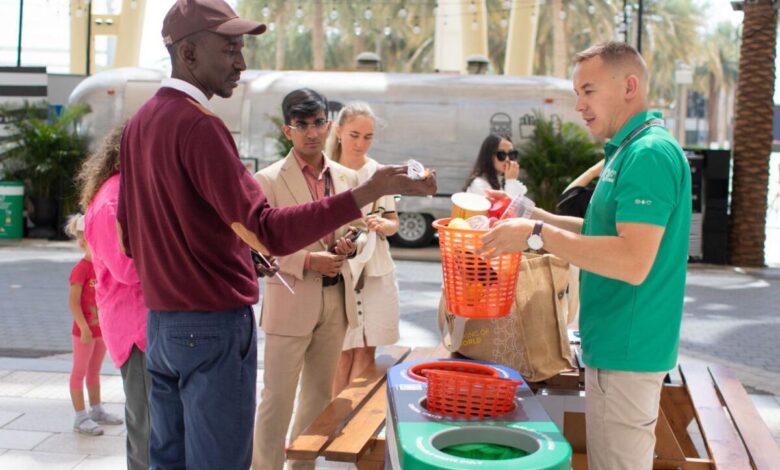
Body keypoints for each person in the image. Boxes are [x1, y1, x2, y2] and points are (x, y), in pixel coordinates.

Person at [115, 1, 435, 468]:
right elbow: (268, 230)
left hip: (162, 326)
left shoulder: (139, 124)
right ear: (188, 55)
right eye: (229, 48)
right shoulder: (201, 128)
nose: (241, 62)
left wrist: (217, 253)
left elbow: (130, 235)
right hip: (211, 328)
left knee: (170, 460)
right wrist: (369, 189)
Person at [480, 41, 691, 470]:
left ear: (630, 85)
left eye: (588, 91)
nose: (578, 105)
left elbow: (631, 261)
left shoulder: (648, 154)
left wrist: (535, 234)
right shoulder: (631, 150)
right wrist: (531, 215)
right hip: (614, 346)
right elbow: (599, 234)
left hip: (627, 350)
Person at [253, 89, 368, 470]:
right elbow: (259, 247)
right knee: (278, 398)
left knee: (318, 398)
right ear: (288, 131)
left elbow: (360, 227)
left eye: (318, 122)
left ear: (329, 125)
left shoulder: (348, 177)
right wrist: (306, 261)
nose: (312, 132)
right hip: (290, 301)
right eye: (302, 125)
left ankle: (303, 467)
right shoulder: (267, 180)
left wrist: (353, 242)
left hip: (336, 302)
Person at [78, 125, 150, 470]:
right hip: (135, 328)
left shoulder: (129, 190)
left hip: (144, 323)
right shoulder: (112, 199)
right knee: (145, 427)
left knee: (154, 424)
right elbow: (126, 269)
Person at [325, 102, 401, 397]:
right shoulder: (325, 172)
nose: (360, 143)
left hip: (376, 270)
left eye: (368, 137)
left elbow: (393, 222)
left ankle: (353, 426)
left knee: (366, 351)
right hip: (340, 270)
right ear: (339, 131)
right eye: (354, 134)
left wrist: (382, 224)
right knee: (341, 353)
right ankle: (330, 426)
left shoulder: (379, 174)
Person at [65, 214, 124, 437]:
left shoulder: (101, 267)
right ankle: (80, 416)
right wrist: (84, 328)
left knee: (95, 370)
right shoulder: (81, 270)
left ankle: (96, 409)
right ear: (83, 243)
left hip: (101, 330)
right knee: (79, 371)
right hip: (85, 332)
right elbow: (73, 302)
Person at [463, 133, 526, 198]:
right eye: (501, 155)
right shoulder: (479, 184)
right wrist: (511, 182)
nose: (507, 159)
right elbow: (510, 207)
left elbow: (522, 206)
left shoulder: (501, 181)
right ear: (489, 156)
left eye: (511, 154)